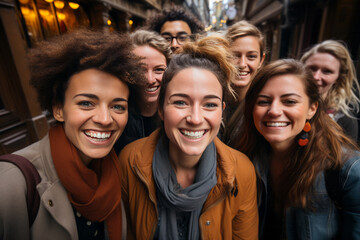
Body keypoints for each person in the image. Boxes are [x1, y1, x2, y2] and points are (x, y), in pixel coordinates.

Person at [0, 29, 146, 240]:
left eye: (118, 106)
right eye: (86, 103)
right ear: (59, 109)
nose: (105, 119)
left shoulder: (116, 170)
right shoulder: (11, 185)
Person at [119, 36, 258, 239]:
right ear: (160, 109)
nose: (195, 118)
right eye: (180, 102)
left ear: (221, 111)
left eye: (209, 104)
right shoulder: (129, 161)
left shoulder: (242, 171)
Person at [236, 59, 360, 239]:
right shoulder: (246, 157)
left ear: (312, 108)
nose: (274, 111)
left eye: (289, 101)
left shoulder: (348, 170)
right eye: (263, 101)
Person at [114, 30, 172, 154]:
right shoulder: (114, 116)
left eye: (159, 70)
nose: (150, 79)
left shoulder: (177, 113)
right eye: (140, 70)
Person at [301, 40, 360, 141]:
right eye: (312, 68)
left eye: (327, 71)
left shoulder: (344, 121)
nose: (316, 77)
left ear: (338, 78)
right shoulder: (282, 105)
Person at [221, 20, 266, 146]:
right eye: (234, 56)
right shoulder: (210, 94)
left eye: (251, 56)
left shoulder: (265, 104)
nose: (242, 64)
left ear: (261, 60)